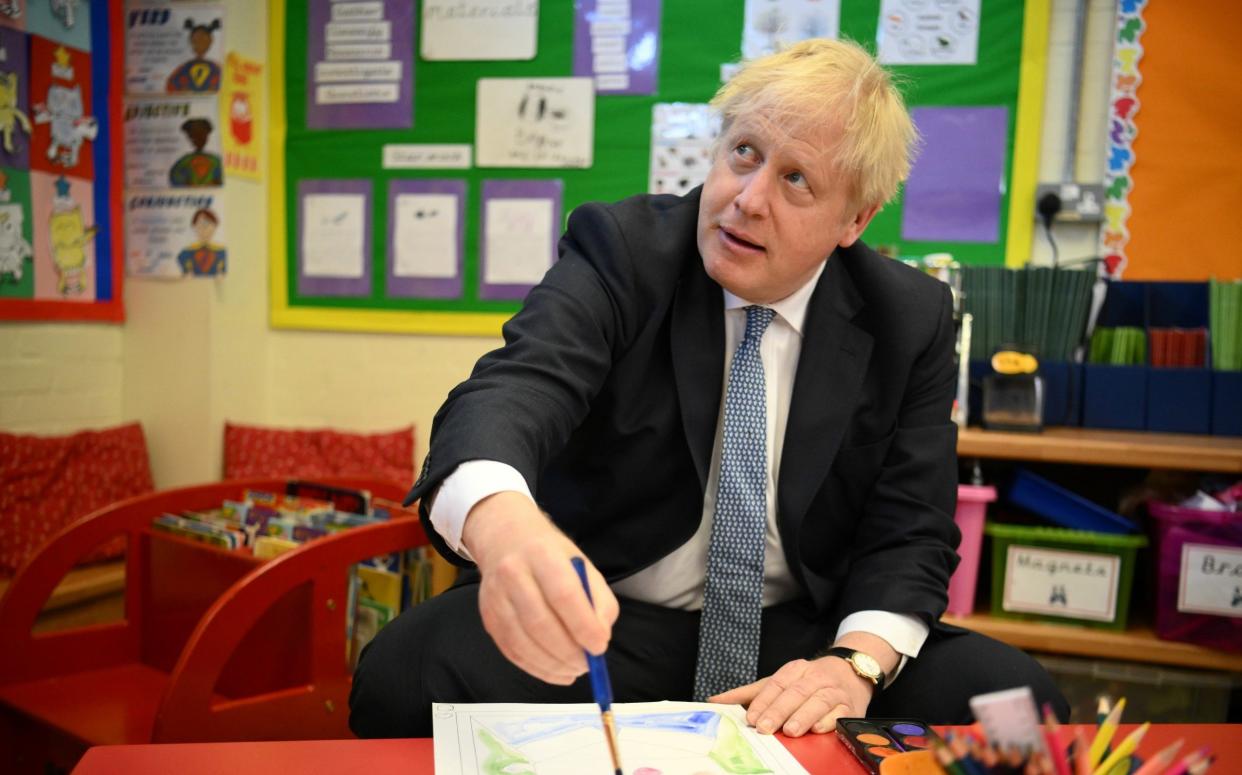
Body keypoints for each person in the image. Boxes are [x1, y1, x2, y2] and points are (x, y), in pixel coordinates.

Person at [350, 38, 1066, 739]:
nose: (748, 200)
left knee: (1018, 703)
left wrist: (853, 664)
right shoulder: (622, 251)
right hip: (608, 624)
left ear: (855, 220)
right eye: (744, 153)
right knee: (404, 670)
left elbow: (912, 530)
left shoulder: (910, 317)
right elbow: (513, 390)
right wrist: (506, 530)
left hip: (802, 638)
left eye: (796, 180)